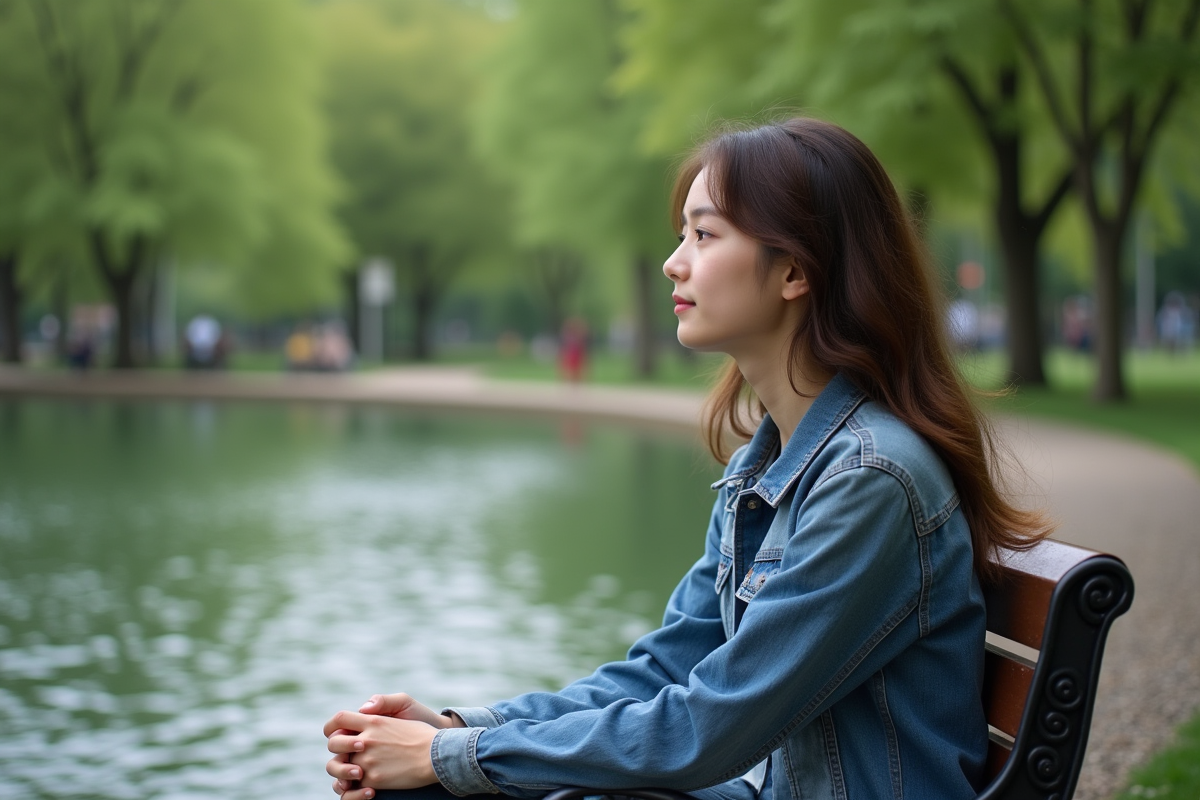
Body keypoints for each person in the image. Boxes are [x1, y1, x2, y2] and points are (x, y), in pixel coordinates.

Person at [322, 118, 1051, 800]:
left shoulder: (871, 482)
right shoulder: (766, 471)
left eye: (704, 236)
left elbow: (710, 728)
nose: (674, 264)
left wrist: (453, 760)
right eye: (683, 236)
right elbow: (665, 671)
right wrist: (460, 731)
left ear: (794, 271)